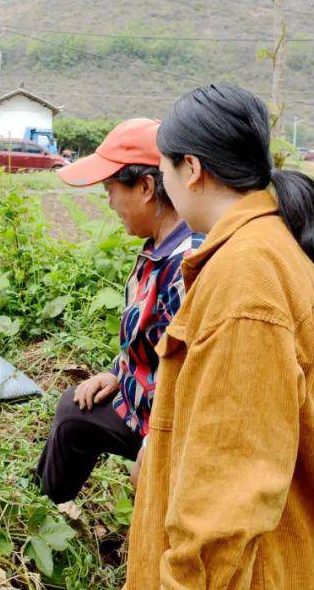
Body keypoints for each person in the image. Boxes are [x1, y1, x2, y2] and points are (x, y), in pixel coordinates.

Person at [126, 85, 314, 589]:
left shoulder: (246, 282)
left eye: (162, 167)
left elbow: (227, 493)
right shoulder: (260, 249)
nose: (162, 180)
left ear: (191, 168)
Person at [34, 118, 201, 503]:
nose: (109, 203)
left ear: (145, 187)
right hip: (142, 396)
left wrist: (151, 450)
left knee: (76, 417)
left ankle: (45, 505)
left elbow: (188, 377)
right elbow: (153, 340)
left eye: (110, 189)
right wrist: (118, 372)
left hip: (169, 426)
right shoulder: (158, 249)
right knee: (75, 410)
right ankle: (42, 504)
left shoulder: (186, 265)